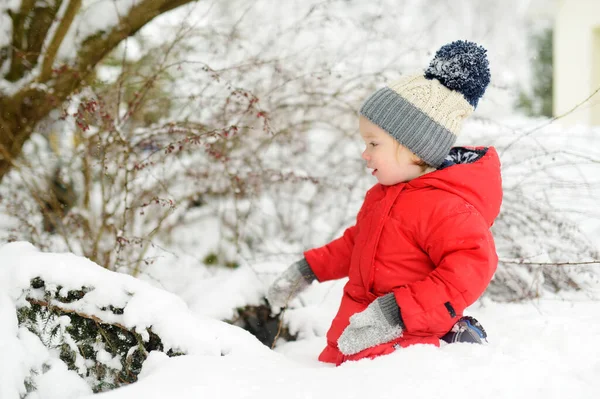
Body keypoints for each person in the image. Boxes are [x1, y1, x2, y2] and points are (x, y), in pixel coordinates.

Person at [267, 40, 502, 365]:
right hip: (354, 339)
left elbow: (468, 270)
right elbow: (358, 244)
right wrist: (309, 269)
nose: (365, 153)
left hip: (404, 348)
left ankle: (454, 336)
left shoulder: (446, 206)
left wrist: (395, 313)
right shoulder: (383, 196)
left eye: (373, 143)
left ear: (415, 149)